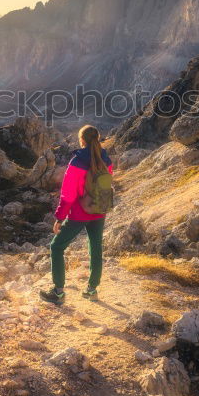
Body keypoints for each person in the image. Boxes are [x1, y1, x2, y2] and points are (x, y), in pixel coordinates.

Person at [40, 124, 113, 304]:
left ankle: (58, 292)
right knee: (96, 249)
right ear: (97, 138)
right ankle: (92, 290)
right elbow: (105, 185)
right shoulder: (106, 159)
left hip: (80, 213)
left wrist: (59, 217)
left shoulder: (78, 161)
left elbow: (68, 193)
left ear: (82, 140)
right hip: (99, 210)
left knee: (56, 247)